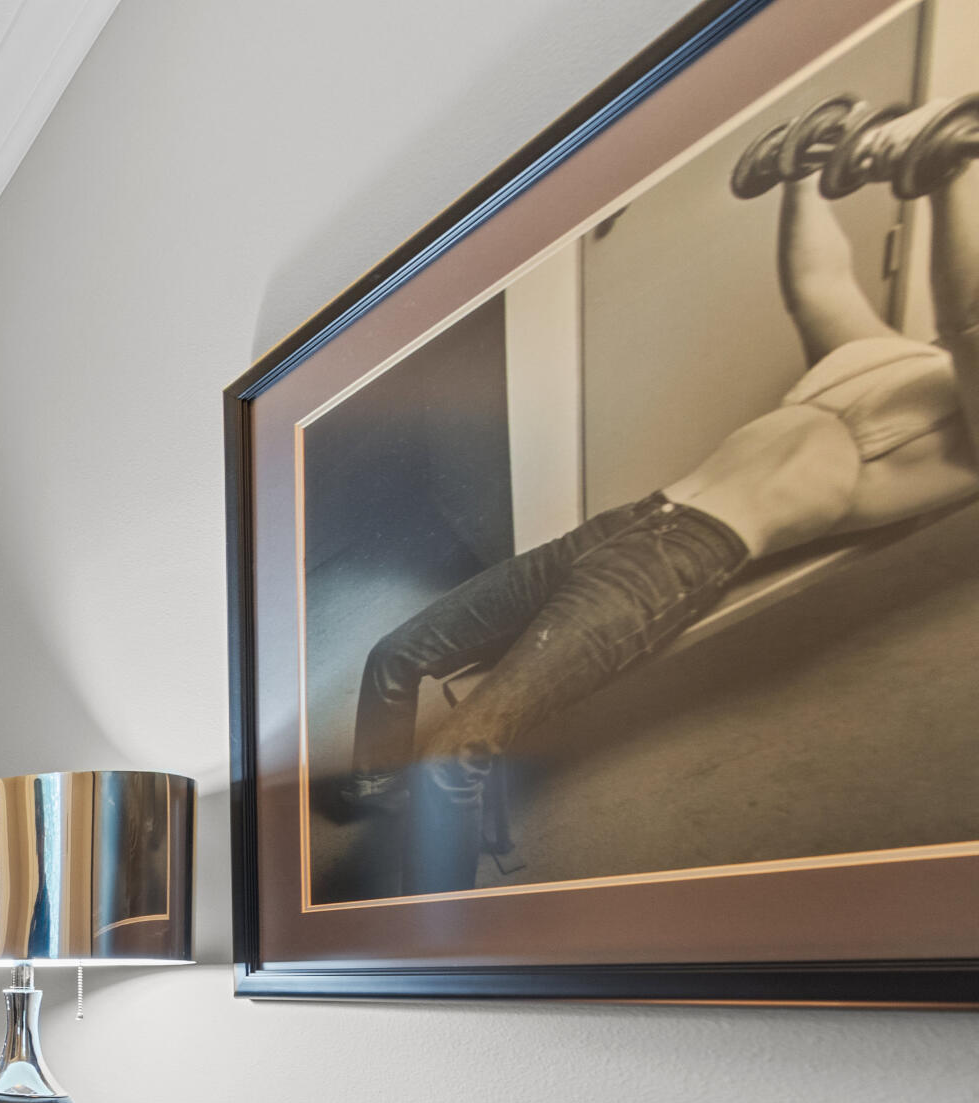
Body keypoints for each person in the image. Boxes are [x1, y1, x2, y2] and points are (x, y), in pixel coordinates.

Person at [322, 92, 979, 894]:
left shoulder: (964, 440)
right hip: (626, 523)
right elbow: (819, 276)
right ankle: (376, 786)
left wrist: (950, 173)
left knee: (457, 753)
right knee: (396, 652)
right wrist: (804, 174)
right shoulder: (883, 359)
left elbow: (969, 324)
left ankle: (436, 921)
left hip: (678, 563)